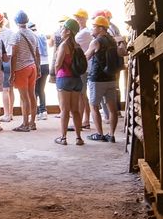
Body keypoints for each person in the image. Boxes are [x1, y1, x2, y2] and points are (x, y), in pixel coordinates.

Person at [87, 14, 123, 142]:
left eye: (94, 26)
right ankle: (111, 135)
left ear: (101, 28)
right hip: (111, 78)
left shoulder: (96, 42)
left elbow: (86, 56)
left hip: (97, 78)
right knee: (112, 109)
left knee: (94, 106)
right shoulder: (113, 41)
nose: (92, 29)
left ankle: (99, 134)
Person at [52, 19, 87, 146]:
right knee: (75, 110)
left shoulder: (64, 45)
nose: (61, 30)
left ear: (68, 31)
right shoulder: (77, 46)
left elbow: (58, 63)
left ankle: (63, 138)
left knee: (64, 110)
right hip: (76, 80)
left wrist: (56, 74)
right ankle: (78, 138)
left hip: (64, 79)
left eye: (63, 28)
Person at [9, 10, 41, 132]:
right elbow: (37, 53)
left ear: (16, 22)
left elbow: (14, 56)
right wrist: (38, 68)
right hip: (32, 67)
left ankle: (25, 124)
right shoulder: (33, 34)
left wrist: (12, 73)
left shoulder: (16, 36)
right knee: (32, 95)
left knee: (24, 97)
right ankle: (32, 122)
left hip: (21, 68)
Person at [73, 9, 93, 131]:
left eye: (80, 18)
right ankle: (84, 120)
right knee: (83, 94)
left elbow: (72, 42)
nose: (77, 20)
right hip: (85, 66)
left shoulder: (84, 33)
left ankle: (81, 120)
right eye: (76, 18)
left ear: (85, 19)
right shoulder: (84, 32)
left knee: (81, 94)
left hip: (83, 68)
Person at [33, 23, 49, 116]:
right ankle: (43, 110)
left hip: (37, 65)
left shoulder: (32, 36)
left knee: (35, 89)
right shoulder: (42, 35)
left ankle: (35, 110)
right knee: (41, 89)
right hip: (46, 64)